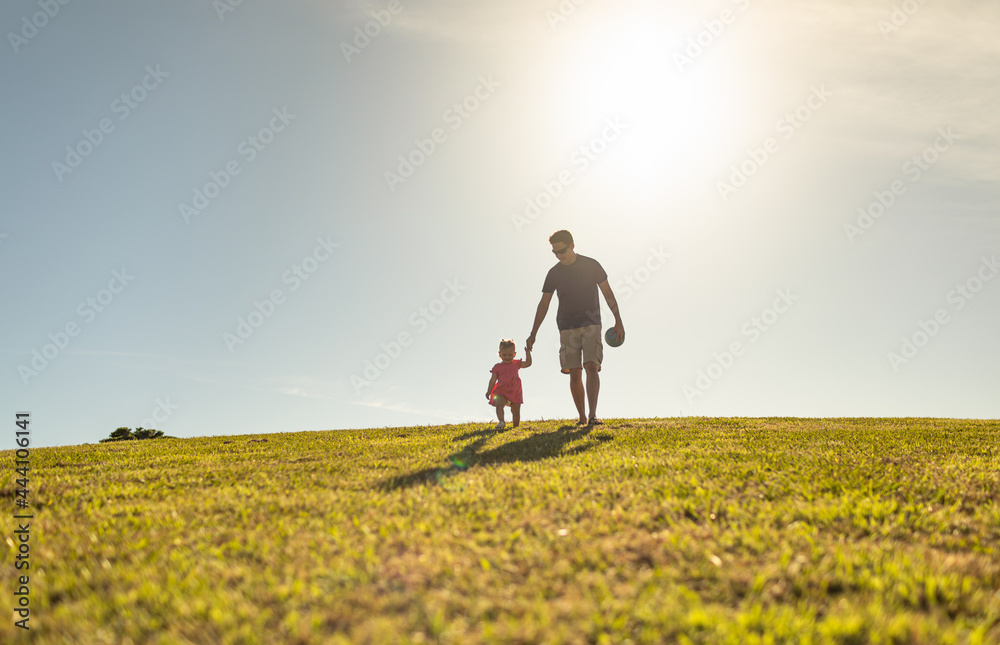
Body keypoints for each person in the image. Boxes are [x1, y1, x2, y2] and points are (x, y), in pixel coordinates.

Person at [526, 230, 624, 426]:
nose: (559, 255)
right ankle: (581, 417)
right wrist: (533, 333)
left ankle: (592, 415)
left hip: (591, 323)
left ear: (572, 245)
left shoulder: (591, 265)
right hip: (566, 326)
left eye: (562, 251)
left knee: (591, 366)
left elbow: (608, 293)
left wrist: (618, 320)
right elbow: (544, 304)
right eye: (555, 252)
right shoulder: (554, 273)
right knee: (574, 371)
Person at [485, 339, 531, 430]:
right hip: (502, 391)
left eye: (510, 355)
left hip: (515, 392)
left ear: (514, 354)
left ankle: (515, 427)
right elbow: (493, 380)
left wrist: (528, 353)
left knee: (516, 411)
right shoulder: (497, 367)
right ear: (500, 354)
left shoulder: (516, 363)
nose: (507, 357)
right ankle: (501, 421)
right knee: (499, 403)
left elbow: (528, 363)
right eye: (504, 355)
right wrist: (488, 391)